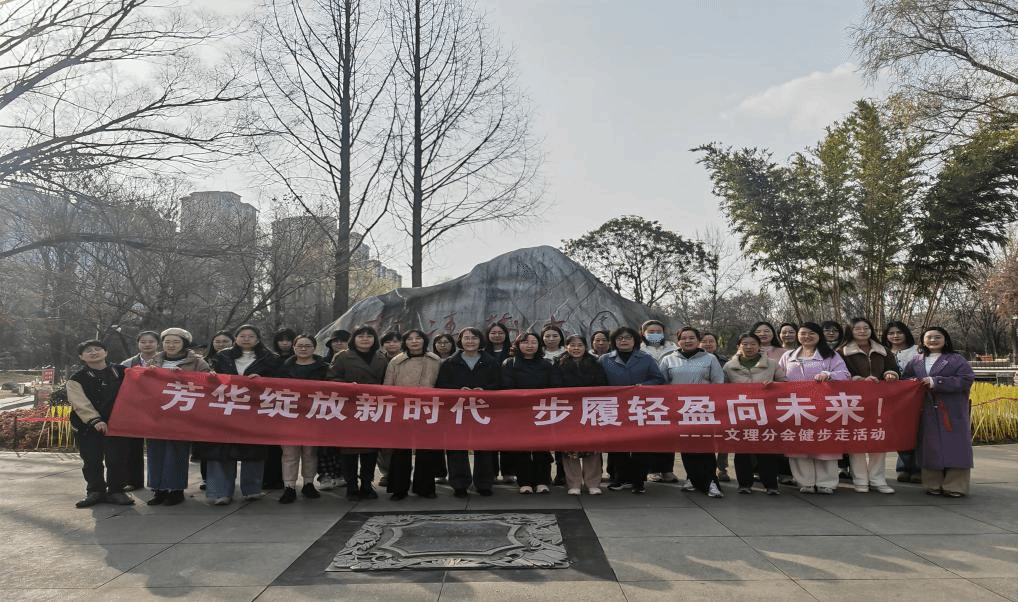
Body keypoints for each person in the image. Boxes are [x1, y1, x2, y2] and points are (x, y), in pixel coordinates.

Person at [201, 324, 283, 505]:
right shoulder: (222, 356)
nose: (246, 339)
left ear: (258, 339)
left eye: (251, 336)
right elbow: (211, 377)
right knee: (221, 450)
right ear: (236, 338)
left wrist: (263, 381)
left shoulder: (271, 358)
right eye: (242, 336)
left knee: (253, 449)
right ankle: (221, 492)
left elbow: (280, 381)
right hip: (225, 409)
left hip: (254, 410)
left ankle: (252, 489)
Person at [902, 327, 976, 497]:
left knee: (956, 446)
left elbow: (966, 379)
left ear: (945, 339)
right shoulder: (916, 360)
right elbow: (905, 378)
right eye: (929, 337)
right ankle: (932, 484)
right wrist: (914, 382)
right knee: (930, 446)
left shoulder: (956, 359)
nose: (933, 340)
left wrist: (937, 382)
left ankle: (955, 486)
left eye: (937, 337)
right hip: (926, 409)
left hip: (951, 409)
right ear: (923, 340)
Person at [779, 322, 850, 494]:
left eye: (812, 333)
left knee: (824, 443)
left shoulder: (830, 355)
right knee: (799, 443)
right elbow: (778, 376)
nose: (807, 337)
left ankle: (827, 482)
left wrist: (829, 375)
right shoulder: (788, 356)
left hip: (824, 407)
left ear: (819, 336)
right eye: (803, 333)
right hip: (796, 407)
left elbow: (845, 374)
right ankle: (805, 481)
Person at [145, 328, 211, 506]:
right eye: (167, 342)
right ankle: (158, 489)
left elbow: (209, 382)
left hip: (182, 414)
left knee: (176, 452)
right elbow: (141, 383)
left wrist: (184, 378)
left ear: (184, 344)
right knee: (155, 451)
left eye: (176, 342)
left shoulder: (196, 361)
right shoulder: (154, 360)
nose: (171, 345)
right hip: (157, 414)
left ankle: (175, 490)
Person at [659, 327, 726, 498]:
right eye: (683, 338)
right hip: (679, 410)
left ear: (698, 340)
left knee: (705, 446)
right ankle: (692, 478)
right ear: (678, 341)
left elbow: (718, 383)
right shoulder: (668, 359)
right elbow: (660, 385)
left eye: (691, 338)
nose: (687, 341)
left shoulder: (710, 358)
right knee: (686, 446)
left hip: (703, 409)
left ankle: (710, 482)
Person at [68, 340, 135, 507]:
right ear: (81, 357)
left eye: (97, 349)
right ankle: (95, 491)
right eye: (88, 351)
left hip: (117, 423)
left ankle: (116, 491)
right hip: (87, 426)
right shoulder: (77, 378)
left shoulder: (122, 371)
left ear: (106, 352)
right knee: (91, 460)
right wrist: (95, 420)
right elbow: (79, 403)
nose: (93, 352)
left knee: (117, 459)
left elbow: (140, 384)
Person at [435, 327, 501, 497]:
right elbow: (442, 385)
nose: (470, 341)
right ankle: (459, 484)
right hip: (458, 411)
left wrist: (485, 390)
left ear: (480, 341)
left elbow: (499, 383)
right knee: (457, 447)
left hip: (483, 411)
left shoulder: (491, 361)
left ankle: (484, 483)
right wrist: (458, 390)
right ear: (460, 341)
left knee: (484, 447)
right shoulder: (450, 362)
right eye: (467, 338)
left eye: (474, 338)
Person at [599, 326, 665, 494]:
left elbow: (658, 379)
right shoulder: (605, 359)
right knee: (617, 445)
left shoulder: (646, 358)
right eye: (619, 338)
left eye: (628, 337)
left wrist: (643, 386)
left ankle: (639, 480)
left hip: (639, 407)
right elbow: (598, 382)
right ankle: (618, 478)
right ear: (614, 342)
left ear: (635, 340)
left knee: (640, 445)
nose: (624, 340)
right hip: (615, 407)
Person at [329, 325, 389, 501]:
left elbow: (388, 381)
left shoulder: (381, 358)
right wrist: (347, 387)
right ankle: (351, 486)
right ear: (353, 339)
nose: (365, 339)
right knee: (349, 450)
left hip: (373, 409)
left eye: (369, 336)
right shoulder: (342, 356)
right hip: (350, 409)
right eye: (361, 336)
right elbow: (331, 378)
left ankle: (367, 484)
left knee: (371, 450)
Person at [838, 318, 898, 494]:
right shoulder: (842, 352)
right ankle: (860, 480)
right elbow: (841, 374)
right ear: (850, 331)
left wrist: (890, 374)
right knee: (856, 441)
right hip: (854, 402)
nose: (862, 331)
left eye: (866, 328)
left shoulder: (883, 350)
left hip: (879, 401)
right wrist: (859, 380)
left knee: (878, 439)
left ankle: (878, 480)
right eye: (857, 328)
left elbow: (894, 368)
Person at [723, 332, 786, 495]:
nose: (749, 347)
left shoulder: (772, 364)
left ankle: (771, 485)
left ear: (759, 346)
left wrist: (774, 385)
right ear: (739, 346)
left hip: (766, 412)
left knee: (767, 449)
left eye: (753, 344)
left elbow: (785, 384)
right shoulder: (729, 366)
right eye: (745, 344)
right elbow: (722, 389)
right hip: (740, 412)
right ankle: (744, 484)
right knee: (742, 450)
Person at [383, 329, 443, 500]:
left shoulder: (435, 360)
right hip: (403, 408)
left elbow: (442, 385)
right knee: (401, 450)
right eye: (410, 339)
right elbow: (388, 386)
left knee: (426, 449)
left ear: (424, 341)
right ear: (405, 342)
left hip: (428, 409)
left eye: (418, 338)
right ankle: (399, 489)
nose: (414, 341)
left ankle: (425, 488)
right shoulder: (396, 361)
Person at [502, 332, 559, 494]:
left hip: (542, 410)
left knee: (542, 447)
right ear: (518, 345)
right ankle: (524, 481)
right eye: (525, 342)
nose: (530, 345)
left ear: (539, 345)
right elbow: (506, 387)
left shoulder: (547, 364)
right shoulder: (509, 363)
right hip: (518, 411)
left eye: (534, 342)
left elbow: (554, 386)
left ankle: (543, 480)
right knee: (522, 447)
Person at [554, 335, 608, 495]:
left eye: (580, 345)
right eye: (572, 345)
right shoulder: (558, 363)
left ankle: (593, 483)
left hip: (590, 409)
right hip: (567, 410)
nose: (576, 348)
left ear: (586, 347)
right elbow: (554, 385)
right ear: (566, 347)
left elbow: (602, 385)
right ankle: (574, 483)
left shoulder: (595, 363)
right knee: (569, 447)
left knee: (592, 447)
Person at [278, 334, 328, 503]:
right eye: (300, 346)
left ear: (314, 348)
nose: (303, 349)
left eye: (307, 346)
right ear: (294, 347)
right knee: (289, 453)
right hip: (289, 415)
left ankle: (308, 483)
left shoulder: (324, 367)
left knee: (310, 452)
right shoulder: (283, 367)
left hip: (314, 416)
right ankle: (289, 486)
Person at [641, 320, 680, 483]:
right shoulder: (638, 350)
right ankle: (652, 470)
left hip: (669, 397)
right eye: (651, 332)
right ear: (643, 333)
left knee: (667, 434)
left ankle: (667, 469)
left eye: (658, 331)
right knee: (649, 434)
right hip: (646, 397)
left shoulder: (674, 349)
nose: (655, 334)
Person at [882, 320, 921, 483]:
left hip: (915, 397)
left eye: (899, 332)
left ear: (906, 334)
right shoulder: (883, 352)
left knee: (917, 432)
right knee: (900, 433)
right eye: (891, 333)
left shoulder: (918, 351)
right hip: (892, 399)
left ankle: (918, 468)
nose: (895, 336)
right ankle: (904, 467)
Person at [120, 331, 159, 490]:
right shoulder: (127, 364)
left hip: (160, 409)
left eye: (151, 341)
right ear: (138, 344)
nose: (147, 344)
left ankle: (158, 482)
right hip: (134, 409)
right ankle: (133, 481)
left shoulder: (166, 361)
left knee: (158, 447)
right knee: (132, 446)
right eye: (143, 342)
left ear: (157, 344)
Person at [318, 329, 351, 490]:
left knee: (343, 445)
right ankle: (324, 474)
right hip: (324, 408)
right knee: (324, 445)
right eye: (335, 340)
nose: (339, 343)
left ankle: (341, 474)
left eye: (343, 340)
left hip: (348, 409)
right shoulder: (322, 363)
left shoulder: (354, 361)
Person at [484, 322, 513, 483]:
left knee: (508, 438)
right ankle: (492, 472)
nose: (497, 335)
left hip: (509, 401)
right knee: (490, 439)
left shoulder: (513, 351)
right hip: (488, 401)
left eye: (500, 332)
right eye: (493, 333)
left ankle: (509, 472)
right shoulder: (482, 353)